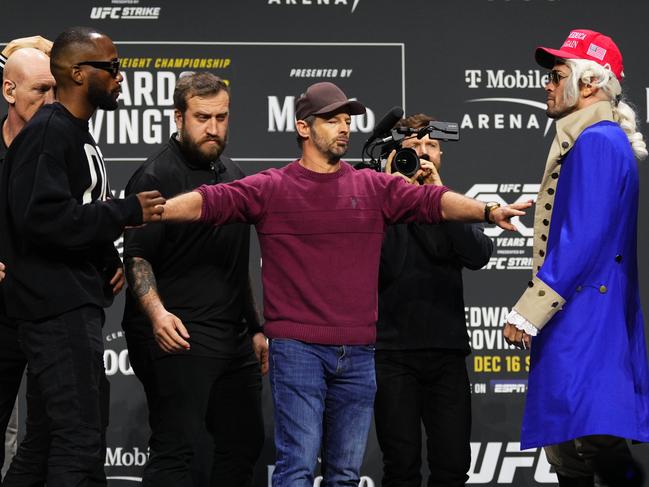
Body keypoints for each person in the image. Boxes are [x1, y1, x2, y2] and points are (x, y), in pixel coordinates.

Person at [156, 81, 529, 487]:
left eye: (347, 120)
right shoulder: (272, 187)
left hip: (359, 353)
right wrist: (150, 213)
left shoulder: (373, 186)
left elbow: (435, 202)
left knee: (346, 476)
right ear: (303, 127)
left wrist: (489, 211)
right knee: (297, 469)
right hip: (297, 349)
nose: (344, 128)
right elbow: (210, 201)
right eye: (332, 120)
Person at [0, 26, 164, 487]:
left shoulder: (76, 134)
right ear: (77, 73)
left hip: (71, 301)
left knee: (47, 441)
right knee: (79, 439)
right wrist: (126, 211)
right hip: (54, 307)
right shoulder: (48, 134)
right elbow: (43, 220)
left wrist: (104, 260)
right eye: (111, 68)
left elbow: (75, 214)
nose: (120, 77)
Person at [503, 29, 649, 487]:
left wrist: (530, 311)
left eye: (556, 75)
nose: (547, 84)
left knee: (588, 442)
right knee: (574, 443)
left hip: (583, 315)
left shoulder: (598, 142)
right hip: (584, 311)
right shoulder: (599, 139)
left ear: (589, 84)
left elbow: (581, 238)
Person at [122, 72, 266, 487]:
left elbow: (238, 264)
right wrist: (158, 316)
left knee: (243, 445)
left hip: (232, 337)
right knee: (176, 448)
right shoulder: (154, 176)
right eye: (202, 118)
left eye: (221, 118)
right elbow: (137, 258)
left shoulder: (237, 176)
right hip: (177, 332)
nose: (213, 128)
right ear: (178, 117)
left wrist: (255, 328)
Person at [375, 113, 493, 487]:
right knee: (401, 466)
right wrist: (396, 193)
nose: (423, 156)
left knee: (453, 466)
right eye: (413, 148)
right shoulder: (379, 207)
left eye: (432, 148)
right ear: (396, 154)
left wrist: (440, 197)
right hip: (392, 354)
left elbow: (478, 255)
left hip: (446, 352)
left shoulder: (452, 204)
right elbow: (384, 267)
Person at [0, 39, 55, 484]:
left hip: (48, 313)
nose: (50, 101)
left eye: (55, 89)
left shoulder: (63, 148)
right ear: (9, 91)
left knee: (49, 434)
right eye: (39, 90)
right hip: (1, 315)